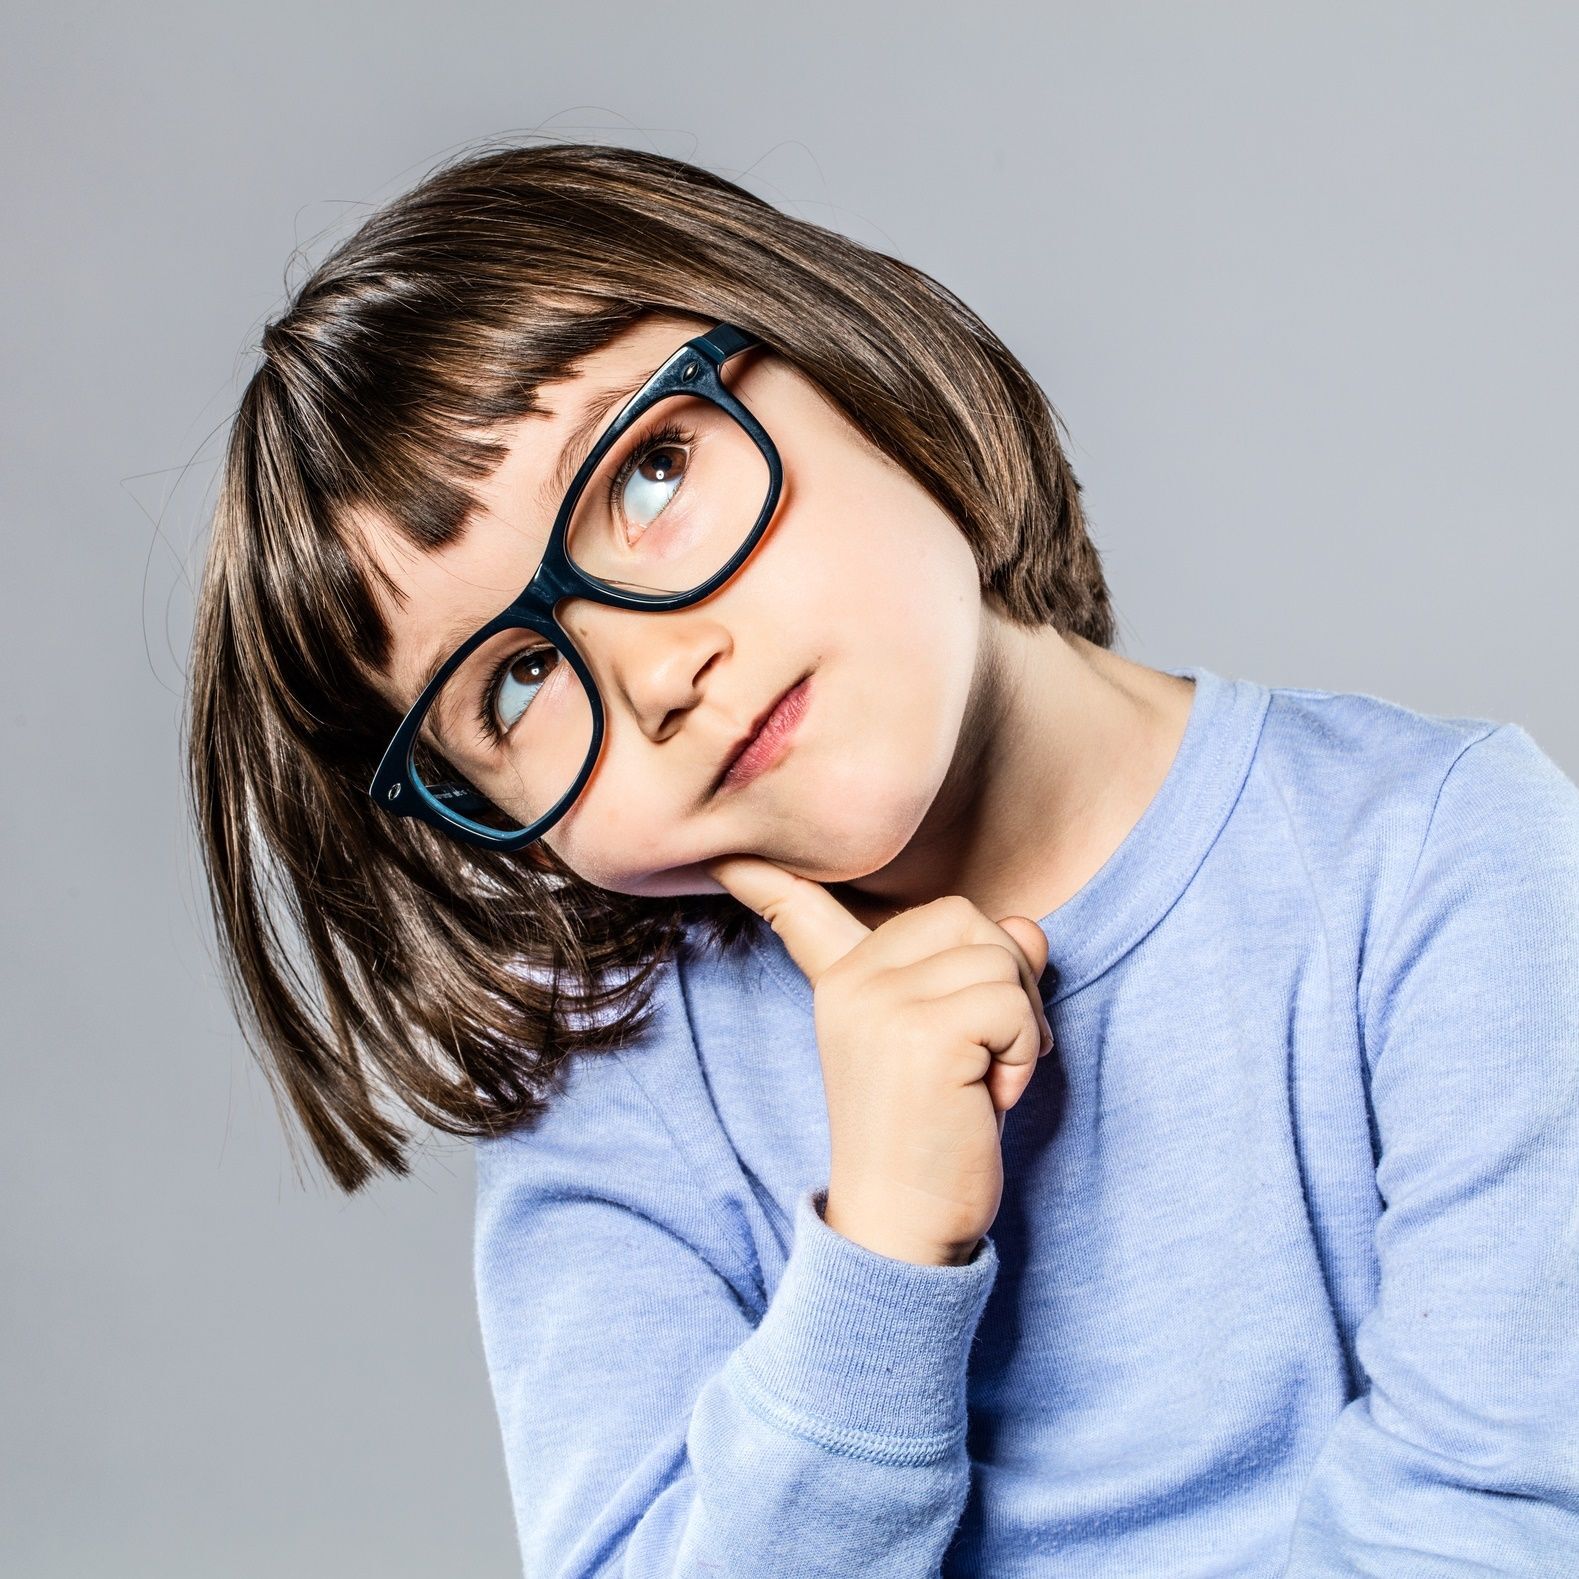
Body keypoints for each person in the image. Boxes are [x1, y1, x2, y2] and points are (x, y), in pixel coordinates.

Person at [183, 140, 1579, 1575]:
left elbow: (1494, 1519)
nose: (654, 677)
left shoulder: (1439, 856)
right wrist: (882, 1246)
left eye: (650, 472)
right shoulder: (621, 1102)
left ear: (844, 348)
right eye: (521, 685)